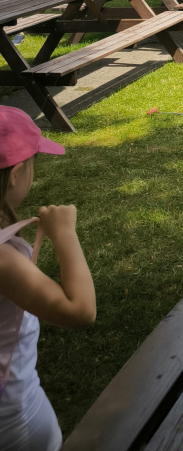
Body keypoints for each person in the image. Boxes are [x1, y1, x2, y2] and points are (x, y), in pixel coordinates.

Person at [0, 106, 96, 451]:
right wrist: (64, 233)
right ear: (16, 174)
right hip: (15, 421)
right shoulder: (3, 260)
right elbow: (80, 310)